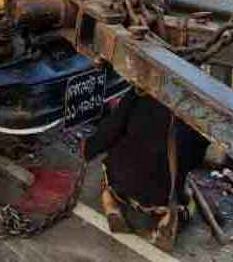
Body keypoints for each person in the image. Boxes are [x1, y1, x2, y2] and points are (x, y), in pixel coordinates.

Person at [84, 90, 209, 251]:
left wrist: (89, 148)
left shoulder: (140, 92)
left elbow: (110, 131)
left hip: (123, 184)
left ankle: (111, 204)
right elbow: (195, 161)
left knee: (109, 164)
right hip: (163, 196)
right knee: (188, 200)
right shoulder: (200, 109)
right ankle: (170, 217)